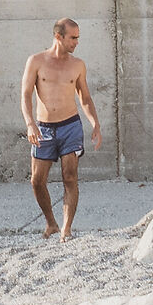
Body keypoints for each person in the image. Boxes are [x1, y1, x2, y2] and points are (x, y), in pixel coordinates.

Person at [20, 19, 101, 240]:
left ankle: (66, 228)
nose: (77, 42)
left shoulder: (78, 65)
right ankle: (51, 223)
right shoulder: (36, 61)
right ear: (58, 37)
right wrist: (30, 124)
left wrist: (95, 123)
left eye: (78, 37)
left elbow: (84, 96)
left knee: (70, 177)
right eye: (73, 37)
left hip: (70, 126)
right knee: (37, 181)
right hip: (43, 129)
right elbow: (26, 94)